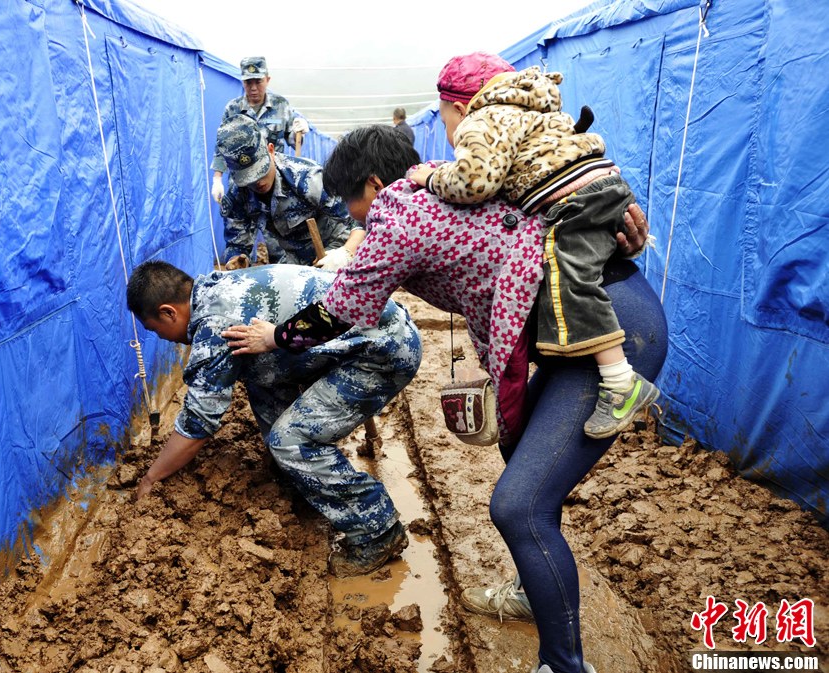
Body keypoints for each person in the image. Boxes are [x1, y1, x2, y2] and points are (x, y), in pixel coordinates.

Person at [223, 125, 667, 673]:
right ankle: (536, 594)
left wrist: (273, 337)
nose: (354, 218)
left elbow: (340, 311)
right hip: (576, 327)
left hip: (610, 330)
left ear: (374, 184)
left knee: (518, 506)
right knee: (518, 452)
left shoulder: (398, 216)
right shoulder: (437, 185)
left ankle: (563, 666)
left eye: (351, 203)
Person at [411, 52, 660, 439]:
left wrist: (431, 178)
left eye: (445, 123)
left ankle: (620, 382)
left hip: (577, 207)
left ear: (459, 109)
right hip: (597, 190)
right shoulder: (531, 115)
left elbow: (474, 181)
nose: (448, 137)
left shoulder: (484, 120)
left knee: (568, 274)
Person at [127, 260, 421, 577]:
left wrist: (151, 478)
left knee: (291, 441)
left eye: (155, 330)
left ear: (169, 312)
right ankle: (303, 480)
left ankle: (377, 531)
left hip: (381, 351)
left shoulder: (216, 325)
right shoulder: (214, 290)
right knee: (259, 375)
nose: (162, 338)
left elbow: (198, 421)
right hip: (370, 332)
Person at [216, 115, 363, 271]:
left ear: (271, 150)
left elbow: (360, 219)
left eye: (261, 171)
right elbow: (236, 244)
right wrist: (237, 259)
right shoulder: (237, 196)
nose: (257, 181)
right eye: (248, 178)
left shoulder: (307, 178)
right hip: (291, 261)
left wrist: (346, 253)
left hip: (333, 249)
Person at [210, 56, 309, 204]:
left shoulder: (281, 105)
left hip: (273, 183)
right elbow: (222, 147)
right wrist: (217, 179)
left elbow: (294, 142)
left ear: (267, 80)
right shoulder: (233, 109)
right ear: (242, 82)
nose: (253, 88)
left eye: (258, 81)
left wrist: (298, 132)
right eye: (248, 82)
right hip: (242, 183)